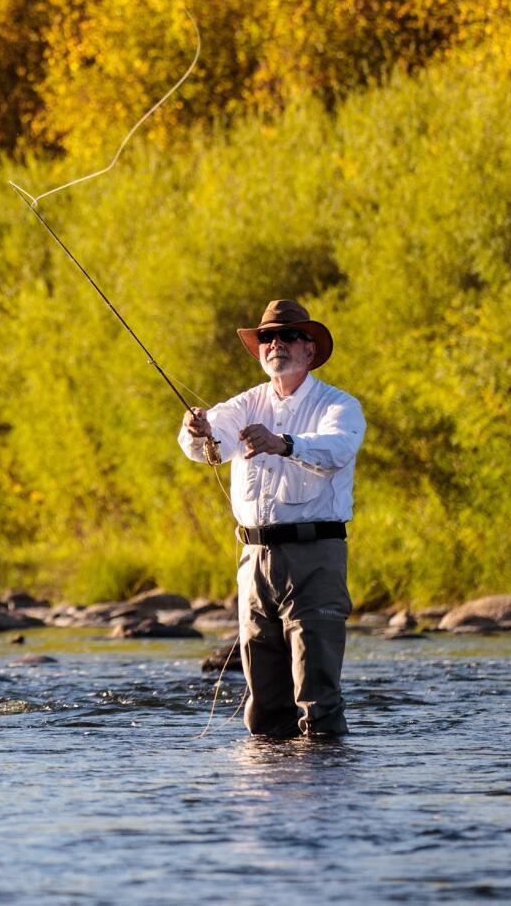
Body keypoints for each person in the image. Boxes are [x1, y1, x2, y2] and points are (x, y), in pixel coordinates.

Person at [179, 298, 365, 739]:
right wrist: (195, 429)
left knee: (316, 694)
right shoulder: (244, 404)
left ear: (309, 350)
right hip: (253, 561)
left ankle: (324, 794)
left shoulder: (338, 406)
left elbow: (337, 449)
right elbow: (205, 445)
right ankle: (268, 797)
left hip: (315, 556)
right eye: (266, 337)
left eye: (287, 336)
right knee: (262, 702)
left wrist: (283, 443)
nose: (274, 343)